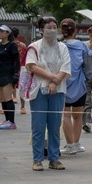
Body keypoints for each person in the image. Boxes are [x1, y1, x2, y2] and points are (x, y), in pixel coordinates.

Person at [26, 16, 71, 172]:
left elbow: (66, 67)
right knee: (38, 126)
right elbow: (31, 66)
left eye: (54, 27)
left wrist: (55, 82)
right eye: (49, 27)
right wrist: (51, 77)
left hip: (58, 91)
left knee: (54, 125)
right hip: (39, 90)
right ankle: (37, 159)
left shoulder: (62, 47)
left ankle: (54, 158)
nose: (52, 30)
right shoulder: (34, 47)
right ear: (41, 30)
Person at [59, 19, 91, 155]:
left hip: (63, 83)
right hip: (79, 85)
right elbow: (89, 68)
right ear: (76, 30)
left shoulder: (59, 46)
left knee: (65, 115)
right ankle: (76, 144)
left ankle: (69, 144)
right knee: (78, 116)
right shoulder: (83, 46)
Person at [0, 24, 20, 129]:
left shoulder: (12, 45)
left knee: (8, 98)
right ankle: (6, 120)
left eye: (2, 31)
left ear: (7, 33)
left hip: (8, 74)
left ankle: (12, 122)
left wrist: (16, 74)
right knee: (2, 98)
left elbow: (16, 61)